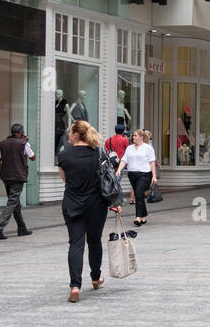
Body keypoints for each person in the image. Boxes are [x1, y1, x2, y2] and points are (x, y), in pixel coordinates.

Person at [57, 120, 120, 302]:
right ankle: (95, 278)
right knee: (93, 241)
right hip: (96, 205)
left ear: (76, 135)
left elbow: (65, 180)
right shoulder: (99, 152)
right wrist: (115, 201)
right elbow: (109, 177)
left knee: (75, 244)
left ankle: (75, 286)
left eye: (70, 132)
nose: (69, 135)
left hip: (72, 204)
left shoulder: (64, 156)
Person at [0, 124, 35, 239]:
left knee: (15, 203)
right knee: (12, 202)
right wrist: (27, 142)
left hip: (6, 177)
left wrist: (1, 172)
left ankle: (22, 228)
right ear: (21, 133)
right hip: (18, 177)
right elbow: (32, 157)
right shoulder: (23, 144)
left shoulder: (2, 143)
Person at [118, 129, 157, 225]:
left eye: (135, 135)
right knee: (139, 195)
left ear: (141, 137)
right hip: (132, 174)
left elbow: (152, 162)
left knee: (139, 193)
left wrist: (154, 176)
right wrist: (119, 170)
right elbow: (124, 160)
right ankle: (144, 217)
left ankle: (138, 217)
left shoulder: (148, 148)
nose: (133, 137)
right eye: (133, 136)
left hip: (144, 174)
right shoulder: (129, 148)